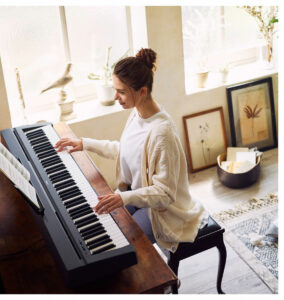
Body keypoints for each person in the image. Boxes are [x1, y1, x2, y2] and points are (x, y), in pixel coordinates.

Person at [54, 48, 208, 254]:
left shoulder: (162, 133)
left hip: (161, 211)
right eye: (115, 89)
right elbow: (127, 152)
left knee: (122, 244)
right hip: (136, 195)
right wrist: (84, 143)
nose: (116, 97)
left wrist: (123, 198)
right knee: (101, 222)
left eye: (122, 92)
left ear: (142, 91)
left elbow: (165, 193)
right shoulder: (138, 113)